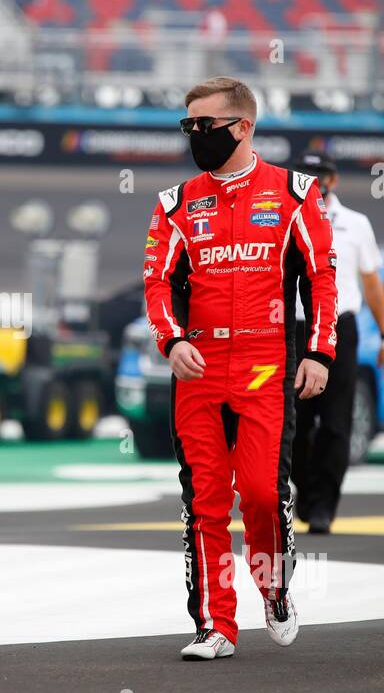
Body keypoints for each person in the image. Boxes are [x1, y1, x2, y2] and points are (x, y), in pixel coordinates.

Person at [143, 77, 338, 661]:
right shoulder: (175, 205)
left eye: (206, 125)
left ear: (244, 126)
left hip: (265, 367)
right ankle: (215, 624)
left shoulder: (295, 194)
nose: (196, 136)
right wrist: (170, 342)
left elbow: (323, 279)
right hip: (198, 369)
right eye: (189, 126)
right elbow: (156, 284)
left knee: (257, 491)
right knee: (204, 498)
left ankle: (275, 590)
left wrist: (319, 352)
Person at [290, 152, 384, 534]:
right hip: (296, 328)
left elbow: (372, 284)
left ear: (332, 180)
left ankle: (323, 506)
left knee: (336, 422)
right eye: (305, 174)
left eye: (319, 175)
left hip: (340, 327)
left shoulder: (355, 223)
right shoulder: (283, 217)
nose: (313, 181)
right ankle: (303, 489)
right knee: (295, 423)